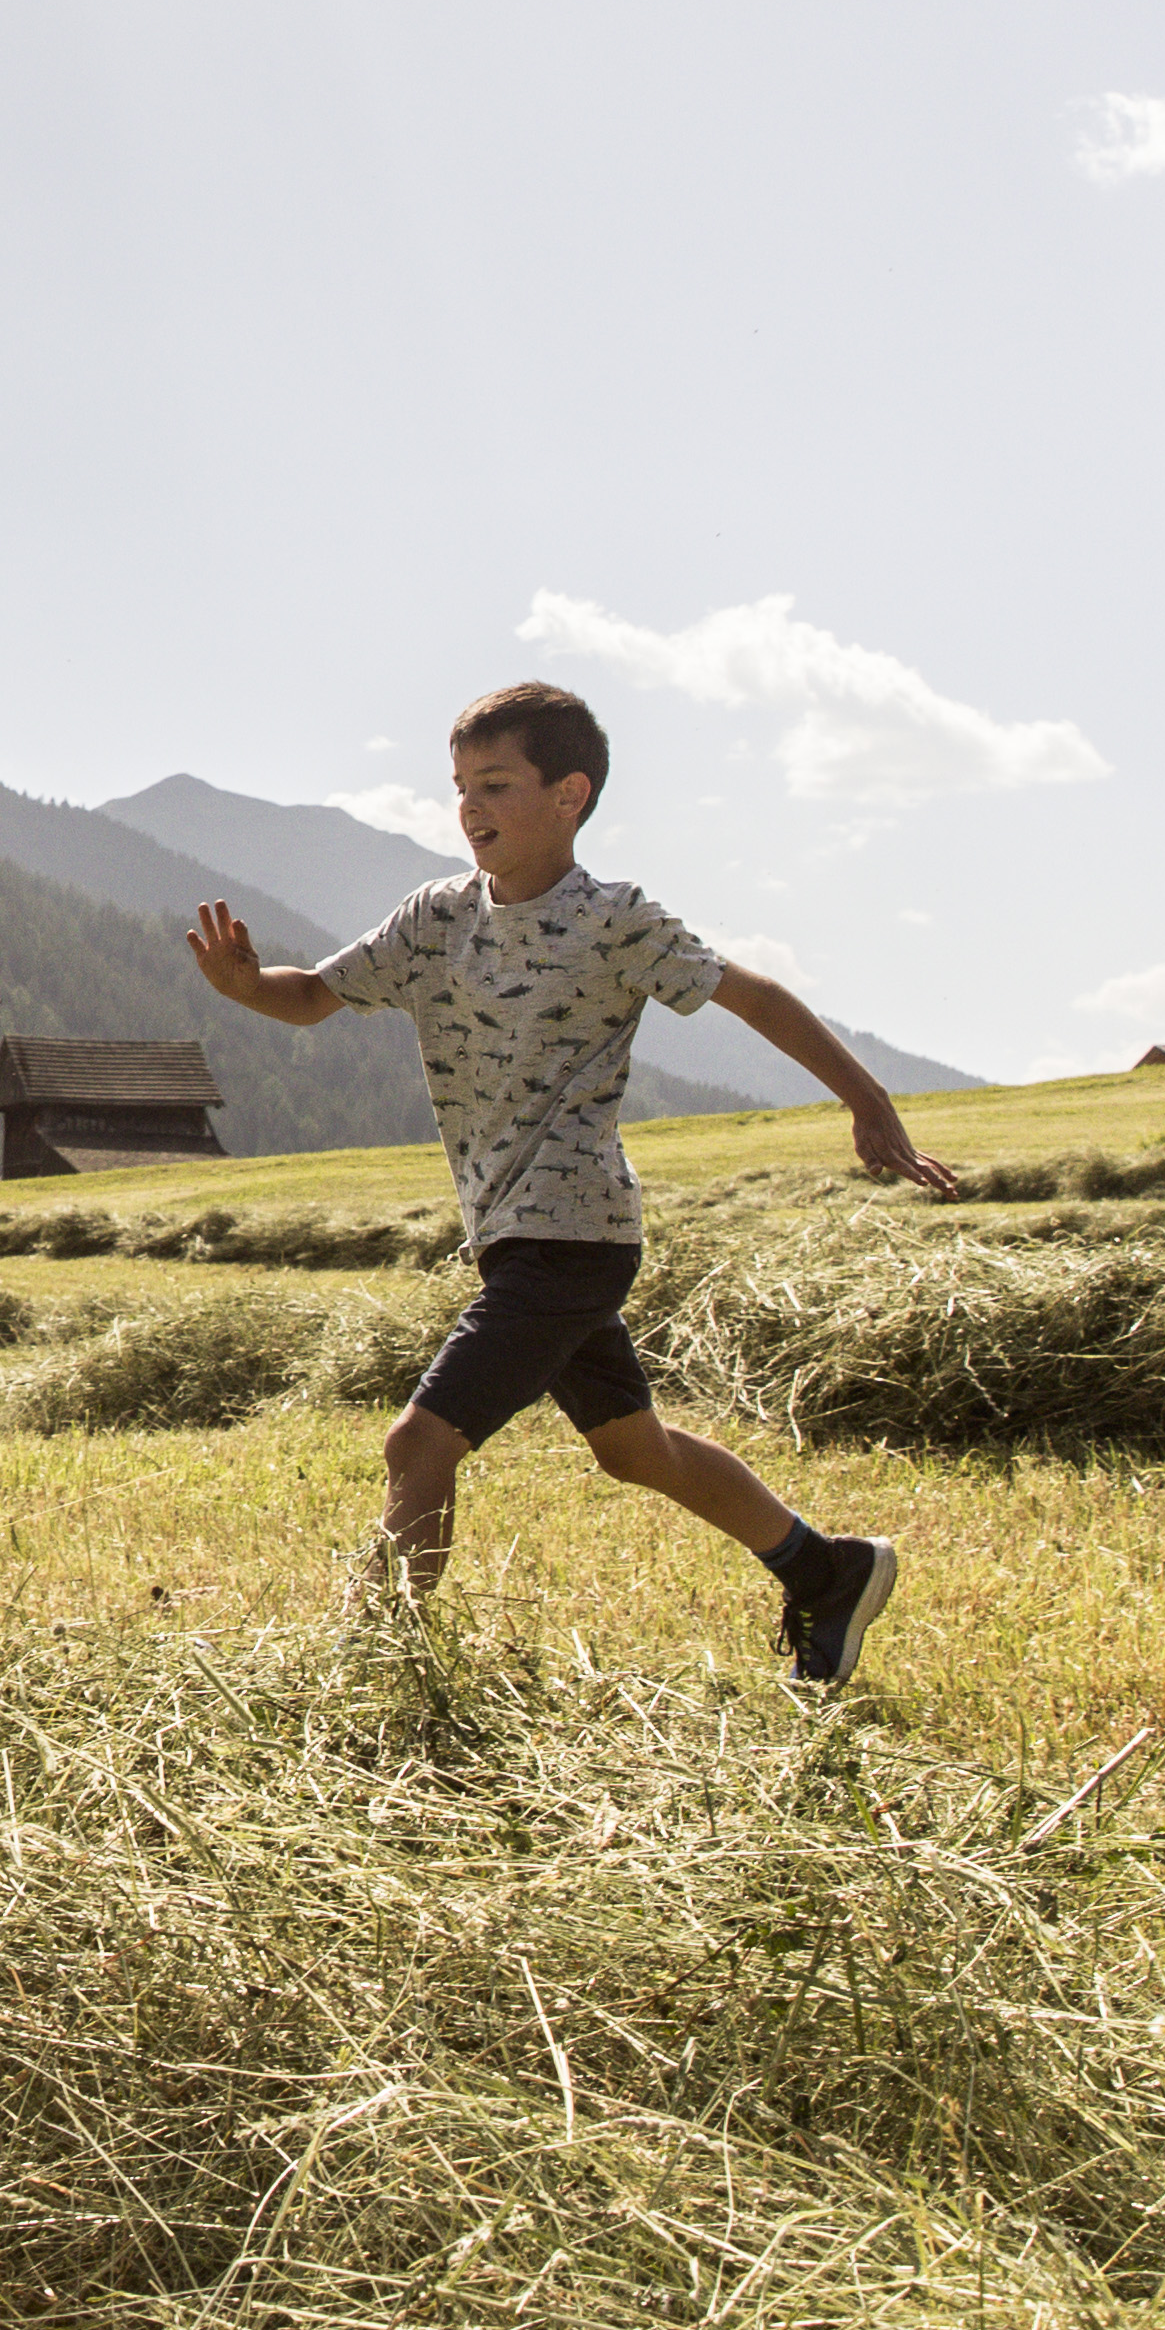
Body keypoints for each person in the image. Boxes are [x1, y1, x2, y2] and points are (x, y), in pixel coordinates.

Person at [187, 679, 960, 1687]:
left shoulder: (614, 921)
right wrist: (248, 987)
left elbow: (756, 996)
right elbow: (314, 996)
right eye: (460, 785)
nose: (469, 807)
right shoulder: (435, 919)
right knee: (633, 1449)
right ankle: (827, 1569)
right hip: (513, 1235)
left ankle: (373, 1677)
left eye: (495, 784)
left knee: (419, 1441)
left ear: (568, 795)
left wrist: (870, 1106)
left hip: (573, 1234)